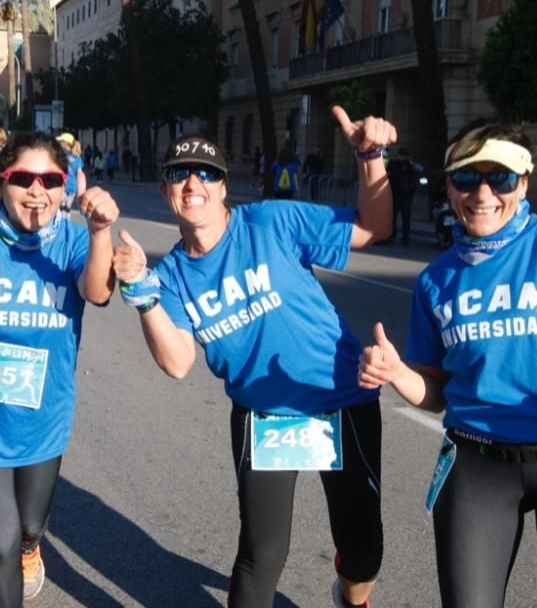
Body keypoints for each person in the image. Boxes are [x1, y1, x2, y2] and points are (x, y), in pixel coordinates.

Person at [112, 107, 394, 608]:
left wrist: (370, 157)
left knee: (362, 550)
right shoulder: (172, 276)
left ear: (224, 187)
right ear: (165, 191)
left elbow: (375, 227)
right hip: (264, 416)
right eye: (180, 173)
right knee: (262, 554)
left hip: (341, 399)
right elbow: (177, 363)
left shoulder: (271, 220)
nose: (193, 181)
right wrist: (142, 292)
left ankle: (352, 596)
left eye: (208, 173)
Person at [358, 119, 537, 608]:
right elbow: (437, 391)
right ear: (449, 186)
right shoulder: (436, 280)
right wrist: (398, 374)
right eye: (466, 178)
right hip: (479, 464)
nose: (482, 193)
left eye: (500, 178)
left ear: (523, 182)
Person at [0, 132, 118, 606]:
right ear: (0, 181)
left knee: (29, 526)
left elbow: (98, 292)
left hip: (43, 415)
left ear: (65, 187)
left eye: (50, 180)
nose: (37, 190)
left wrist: (100, 231)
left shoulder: (74, 241)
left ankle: (31, 547)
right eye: (23, 178)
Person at [386, 147, 418, 245]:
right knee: (395, 217)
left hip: (404, 195)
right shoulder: (393, 164)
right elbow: (389, 175)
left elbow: (414, 178)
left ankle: (403, 236)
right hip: (397, 194)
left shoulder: (410, 165)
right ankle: (395, 235)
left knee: (404, 217)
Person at [55, 132, 83, 218]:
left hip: (62, 186)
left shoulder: (60, 156)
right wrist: (80, 191)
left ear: (66, 143)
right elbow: (79, 175)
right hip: (72, 187)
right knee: (67, 209)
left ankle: (59, 228)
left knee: (59, 210)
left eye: (60, 142)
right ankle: (66, 226)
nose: (59, 144)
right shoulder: (77, 158)